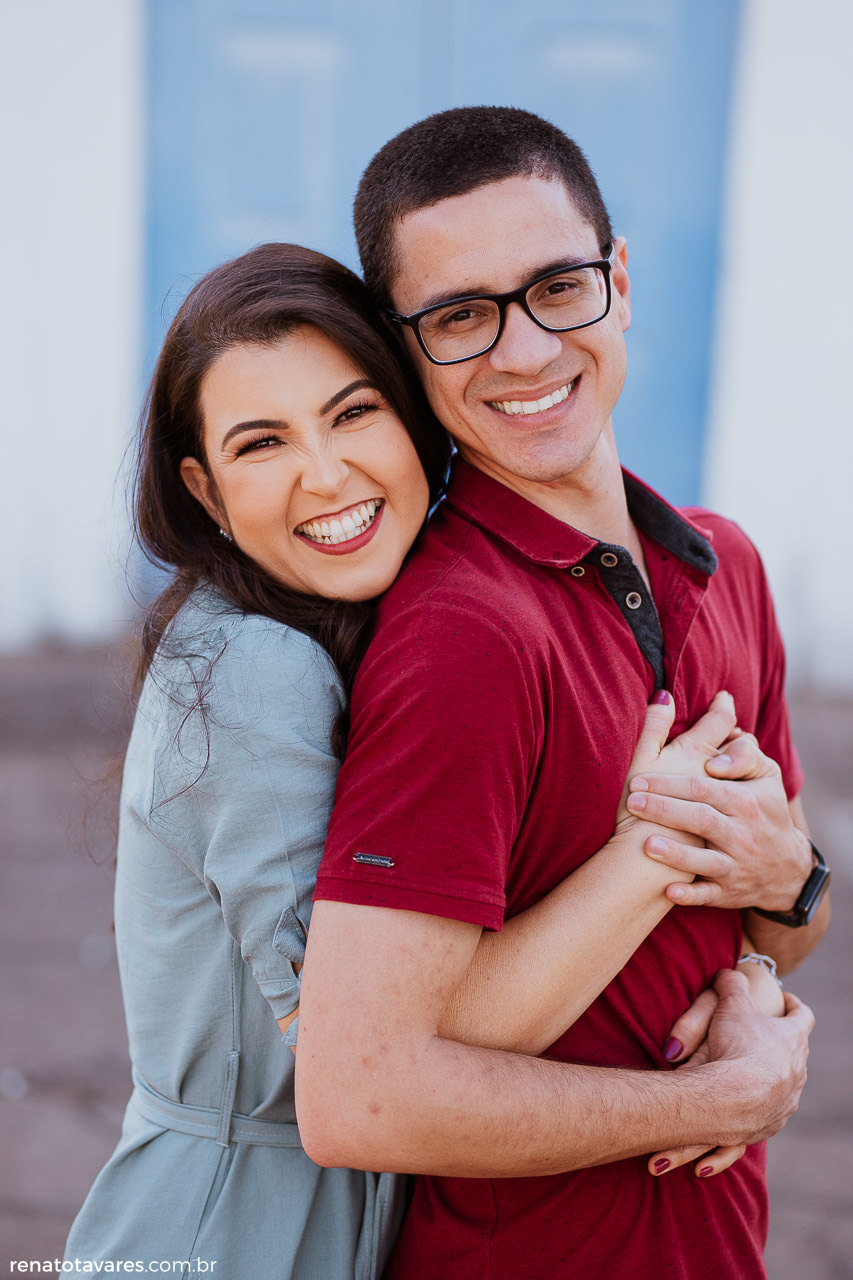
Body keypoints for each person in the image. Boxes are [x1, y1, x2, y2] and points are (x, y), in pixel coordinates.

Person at [63, 242, 776, 1277]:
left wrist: (761, 950)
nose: (325, 474)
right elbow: (369, 1070)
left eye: (353, 413)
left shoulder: (357, 624)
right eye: (261, 443)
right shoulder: (251, 664)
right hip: (231, 1228)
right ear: (204, 491)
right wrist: (659, 844)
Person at [296, 107, 830, 1279]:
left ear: (617, 281)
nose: (527, 352)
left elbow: (782, 921)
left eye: (556, 288)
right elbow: (359, 1098)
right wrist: (716, 1099)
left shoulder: (727, 564)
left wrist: (783, 893)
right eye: (460, 316)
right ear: (403, 347)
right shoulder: (463, 634)